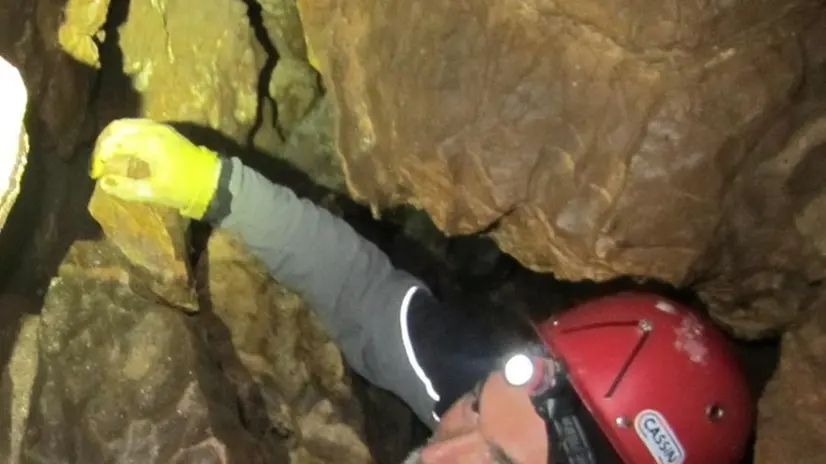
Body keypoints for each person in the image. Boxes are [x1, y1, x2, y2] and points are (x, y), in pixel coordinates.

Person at [89, 118, 755, 464]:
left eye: (498, 463)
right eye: (470, 408)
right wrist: (214, 187)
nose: (441, 449)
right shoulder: (479, 383)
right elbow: (358, 291)